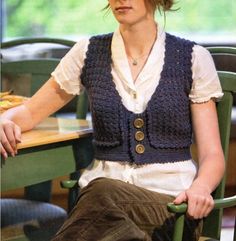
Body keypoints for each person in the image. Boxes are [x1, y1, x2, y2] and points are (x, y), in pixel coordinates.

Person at [1, 0, 225, 240]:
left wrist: (201, 188)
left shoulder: (192, 58)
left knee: (101, 189)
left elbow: (212, 154)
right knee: (103, 202)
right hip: (101, 215)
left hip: (169, 209)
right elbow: (30, 111)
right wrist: (5, 119)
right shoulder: (87, 52)